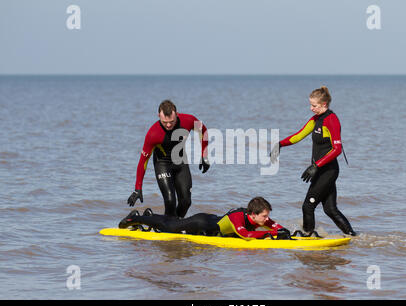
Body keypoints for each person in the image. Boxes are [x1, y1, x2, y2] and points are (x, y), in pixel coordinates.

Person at [270, 86, 356, 236]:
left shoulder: (332, 120)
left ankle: (308, 237)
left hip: (328, 171)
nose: (311, 108)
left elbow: (337, 149)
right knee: (330, 209)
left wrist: (316, 165)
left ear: (324, 104)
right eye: (310, 105)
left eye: (314, 105)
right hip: (319, 170)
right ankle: (352, 236)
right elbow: (299, 135)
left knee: (307, 206)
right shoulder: (316, 119)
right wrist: (280, 144)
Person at [127, 100, 210, 218]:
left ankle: (173, 224)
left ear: (177, 114)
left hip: (180, 162)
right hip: (162, 164)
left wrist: (204, 155)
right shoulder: (153, 134)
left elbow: (204, 132)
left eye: (171, 121)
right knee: (170, 201)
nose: (169, 125)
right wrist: (138, 188)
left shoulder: (188, 120)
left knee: (186, 202)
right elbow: (143, 161)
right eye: (165, 122)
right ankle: (168, 225)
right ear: (158, 116)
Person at [119, 196, 291, 240]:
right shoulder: (239, 217)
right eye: (264, 216)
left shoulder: (259, 217)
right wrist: (269, 235)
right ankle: (136, 218)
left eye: (267, 215)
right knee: (170, 227)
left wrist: (282, 231)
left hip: (212, 219)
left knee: (171, 224)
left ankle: (151, 216)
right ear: (253, 214)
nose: (267, 219)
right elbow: (245, 235)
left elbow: (274, 226)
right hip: (201, 223)